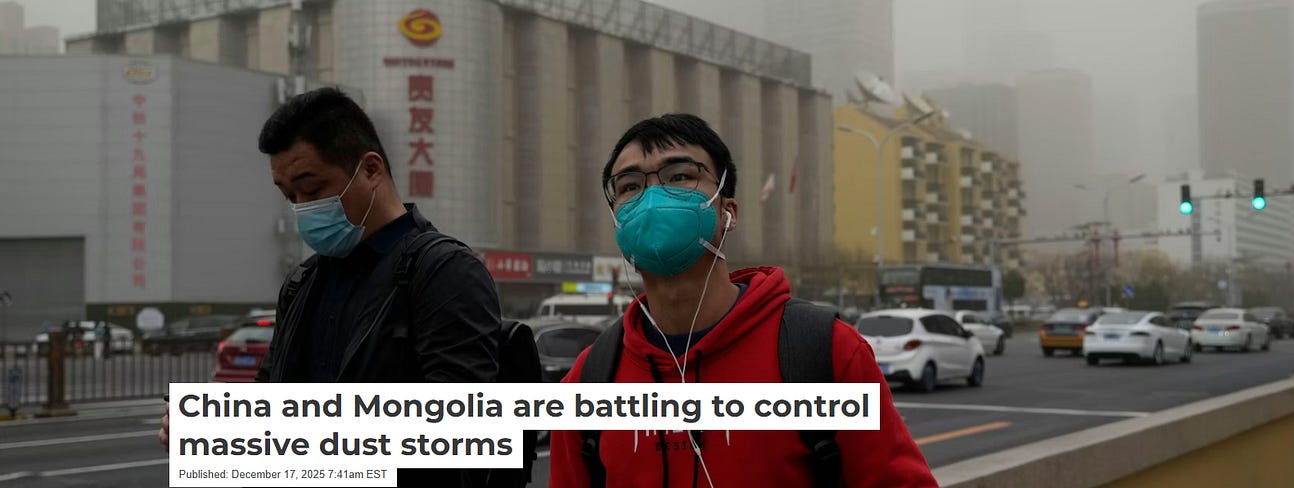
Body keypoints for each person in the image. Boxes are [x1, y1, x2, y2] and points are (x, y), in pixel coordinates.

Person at [548, 114, 936, 487]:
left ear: (727, 212)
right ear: (617, 219)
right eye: (630, 186)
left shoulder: (825, 352)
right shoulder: (588, 381)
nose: (651, 198)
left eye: (679, 176)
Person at [157, 88, 506, 487]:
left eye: (312, 189)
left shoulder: (445, 271)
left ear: (371, 170)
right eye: (290, 196)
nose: (303, 207)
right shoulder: (302, 282)